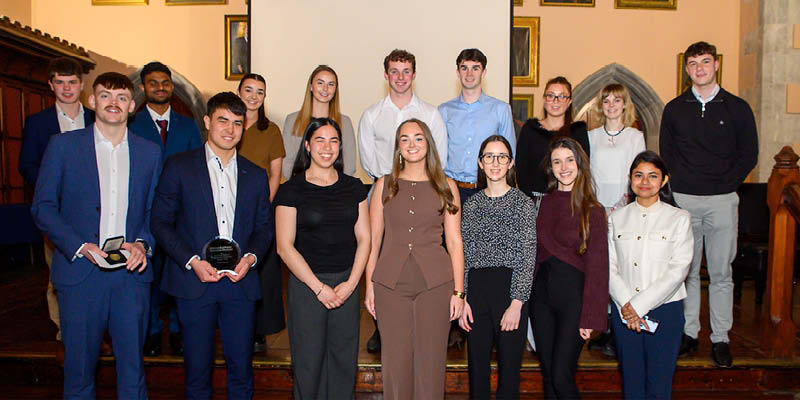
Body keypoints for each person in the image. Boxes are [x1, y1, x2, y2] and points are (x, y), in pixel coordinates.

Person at [31, 72, 161, 399]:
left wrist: (143, 244)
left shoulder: (149, 152)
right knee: (79, 372)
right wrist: (79, 246)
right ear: (92, 101)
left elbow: (154, 211)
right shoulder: (63, 146)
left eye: (121, 97)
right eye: (105, 95)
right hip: (81, 275)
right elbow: (43, 207)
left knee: (133, 371)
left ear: (131, 106)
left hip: (130, 277)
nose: (113, 103)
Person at [151, 92, 273, 399]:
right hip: (195, 282)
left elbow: (264, 228)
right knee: (197, 372)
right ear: (207, 122)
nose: (230, 129)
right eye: (223, 120)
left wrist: (250, 258)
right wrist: (192, 260)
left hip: (239, 283)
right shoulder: (179, 167)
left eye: (237, 123)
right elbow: (160, 222)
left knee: (241, 371)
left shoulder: (256, 175)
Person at [660, 41, 758, 367]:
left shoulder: (737, 108)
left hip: (722, 200)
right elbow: (668, 153)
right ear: (686, 69)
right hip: (684, 200)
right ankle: (689, 333)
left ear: (716, 64)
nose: (699, 68)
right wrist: (683, 184)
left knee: (720, 272)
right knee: (686, 272)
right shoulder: (675, 109)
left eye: (705, 61)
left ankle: (720, 338)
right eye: (693, 63)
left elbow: (749, 153)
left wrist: (726, 183)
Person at [364, 118, 465, 399]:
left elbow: (455, 242)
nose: (412, 144)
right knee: (395, 364)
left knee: (431, 364)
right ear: (398, 147)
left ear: (428, 144)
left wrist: (459, 292)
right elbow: (373, 240)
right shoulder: (384, 185)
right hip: (390, 285)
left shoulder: (446, 185)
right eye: (405, 139)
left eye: (418, 138)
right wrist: (369, 286)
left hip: (435, 284)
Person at [274, 118, 370, 399]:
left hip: (346, 284)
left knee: (343, 362)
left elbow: (365, 238)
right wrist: (318, 288)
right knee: (309, 363)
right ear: (307, 145)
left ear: (340, 147)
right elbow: (284, 247)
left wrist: (351, 284)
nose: (327, 147)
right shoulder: (291, 189)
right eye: (320, 140)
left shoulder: (354, 187)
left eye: (334, 141)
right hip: (307, 286)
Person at [18, 57, 95, 354]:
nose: (66, 88)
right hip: (57, 213)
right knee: (58, 272)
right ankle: (66, 329)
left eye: (72, 82)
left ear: (81, 84)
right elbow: (27, 165)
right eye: (60, 82)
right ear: (51, 85)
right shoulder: (38, 123)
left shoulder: (97, 118)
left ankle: (94, 326)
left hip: (95, 210)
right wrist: (54, 190)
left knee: (95, 270)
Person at [130, 61, 203, 358]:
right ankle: (150, 332)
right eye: (153, 83)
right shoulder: (132, 124)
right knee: (147, 276)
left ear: (172, 86)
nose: (160, 88)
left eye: (165, 82)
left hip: (180, 214)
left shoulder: (188, 126)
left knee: (179, 273)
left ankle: (176, 330)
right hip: (144, 212)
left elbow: (197, 167)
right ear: (143, 87)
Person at [609, 150, 693, 399]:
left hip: (665, 310)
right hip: (623, 311)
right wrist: (628, 305)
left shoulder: (679, 218)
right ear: (629, 179)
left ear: (664, 180)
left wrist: (639, 305)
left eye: (652, 176)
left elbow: (679, 269)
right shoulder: (616, 218)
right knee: (631, 384)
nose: (645, 182)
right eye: (639, 175)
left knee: (659, 385)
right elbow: (609, 266)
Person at [459, 135, 535, 399]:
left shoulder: (523, 203)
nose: (495, 162)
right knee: (477, 368)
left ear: (510, 163)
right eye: (489, 157)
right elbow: (464, 254)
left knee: (509, 371)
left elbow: (527, 255)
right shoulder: (471, 205)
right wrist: (463, 298)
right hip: (476, 291)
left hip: (510, 290)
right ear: (480, 163)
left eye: (501, 157)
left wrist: (517, 303)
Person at [533, 136, 608, 398]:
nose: (563, 167)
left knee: (561, 375)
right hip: (541, 299)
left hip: (574, 301)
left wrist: (592, 317)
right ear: (550, 167)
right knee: (547, 374)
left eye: (569, 160)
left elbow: (599, 268)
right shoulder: (539, 204)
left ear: (580, 164)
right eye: (557, 162)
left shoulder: (593, 210)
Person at [236, 73, 287, 353]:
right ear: (239, 92)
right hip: (229, 208)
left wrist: (264, 206)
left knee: (263, 271)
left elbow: (276, 173)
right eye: (249, 90)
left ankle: (260, 331)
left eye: (260, 92)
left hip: (263, 209)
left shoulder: (271, 130)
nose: (254, 96)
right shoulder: (230, 124)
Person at [358, 49, 448, 181]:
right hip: (383, 184)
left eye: (406, 71)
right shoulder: (371, 115)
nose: (400, 77)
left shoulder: (431, 115)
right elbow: (368, 161)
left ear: (414, 75)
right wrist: (383, 183)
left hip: (424, 185)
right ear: (386, 75)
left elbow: (439, 158)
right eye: (394, 71)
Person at [439, 48, 516, 201]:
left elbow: (510, 154)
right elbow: (438, 155)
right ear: (458, 72)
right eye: (464, 68)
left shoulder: (501, 109)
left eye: (475, 68)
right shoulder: (444, 111)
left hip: (489, 189)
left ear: (483, 72)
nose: (469, 74)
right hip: (452, 189)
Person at [516, 76, 589, 198]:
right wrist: (531, 200)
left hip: (570, 198)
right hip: (535, 199)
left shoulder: (578, 131)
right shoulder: (530, 130)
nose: (556, 101)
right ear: (545, 99)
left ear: (569, 102)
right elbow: (521, 170)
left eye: (562, 96)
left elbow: (583, 169)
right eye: (551, 95)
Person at [283, 65, 357, 179]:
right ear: (311, 87)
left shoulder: (345, 122)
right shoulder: (292, 120)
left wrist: (338, 186)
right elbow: (287, 162)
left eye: (331, 84)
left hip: (336, 187)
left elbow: (349, 164)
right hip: (300, 186)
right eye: (320, 83)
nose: (325, 89)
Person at [587, 83, 646, 210]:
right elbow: (587, 172)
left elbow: (639, 172)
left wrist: (626, 200)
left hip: (625, 202)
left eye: (617, 100)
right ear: (601, 106)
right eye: (606, 101)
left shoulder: (635, 137)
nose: (611, 105)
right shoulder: (591, 136)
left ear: (624, 104)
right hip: (596, 202)